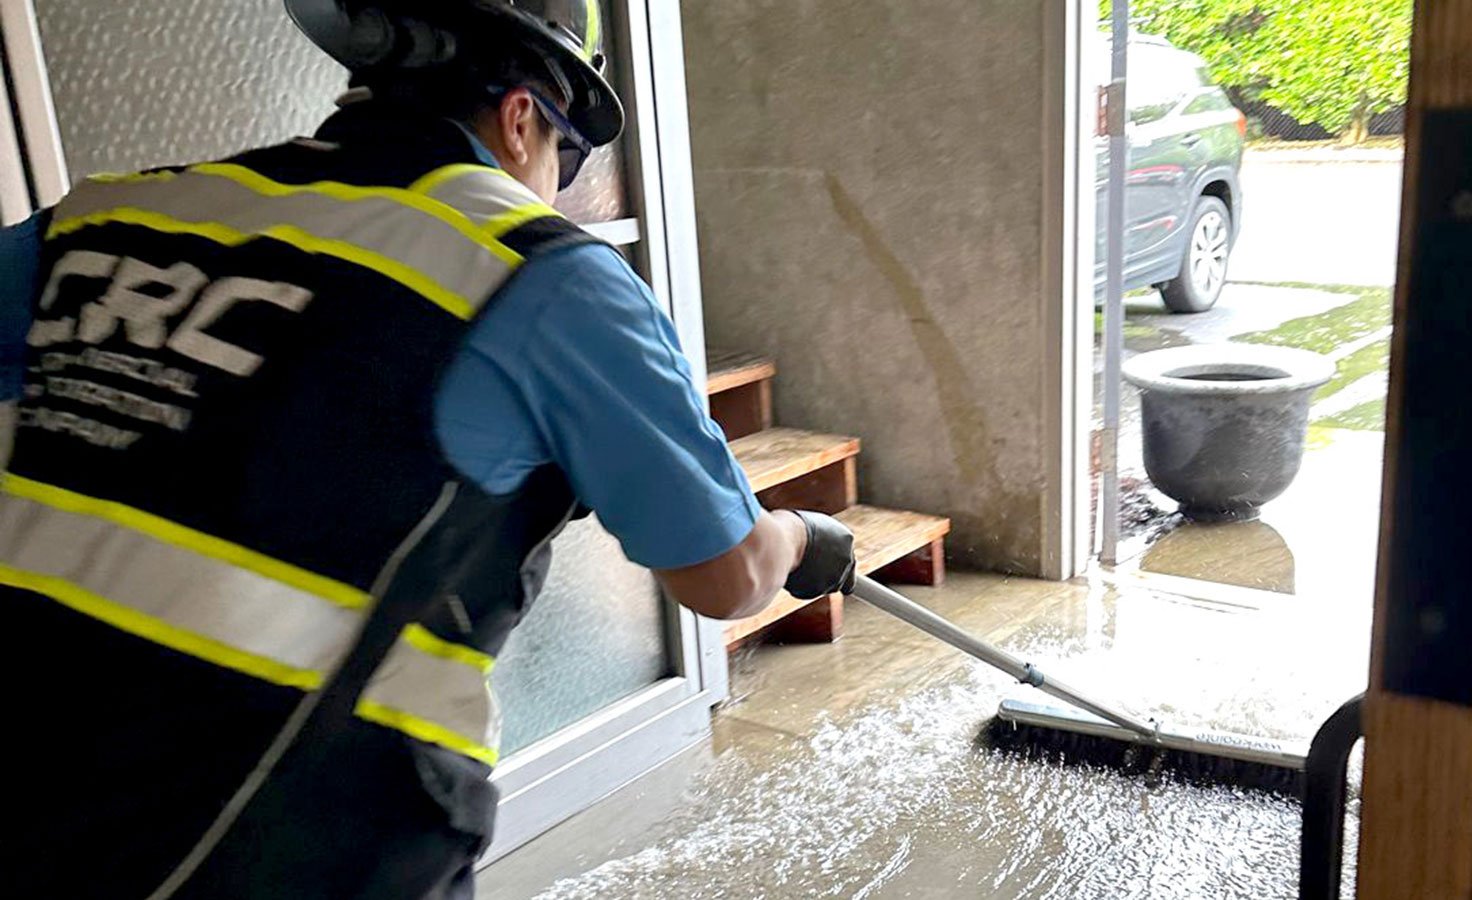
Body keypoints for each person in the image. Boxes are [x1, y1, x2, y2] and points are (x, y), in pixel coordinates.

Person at [0, 1, 856, 897]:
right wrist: (799, 538)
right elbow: (726, 574)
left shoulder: (110, 217)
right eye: (568, 159)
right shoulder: (538, 273)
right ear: (523, 116)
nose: (560, 191)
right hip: (295, 837)